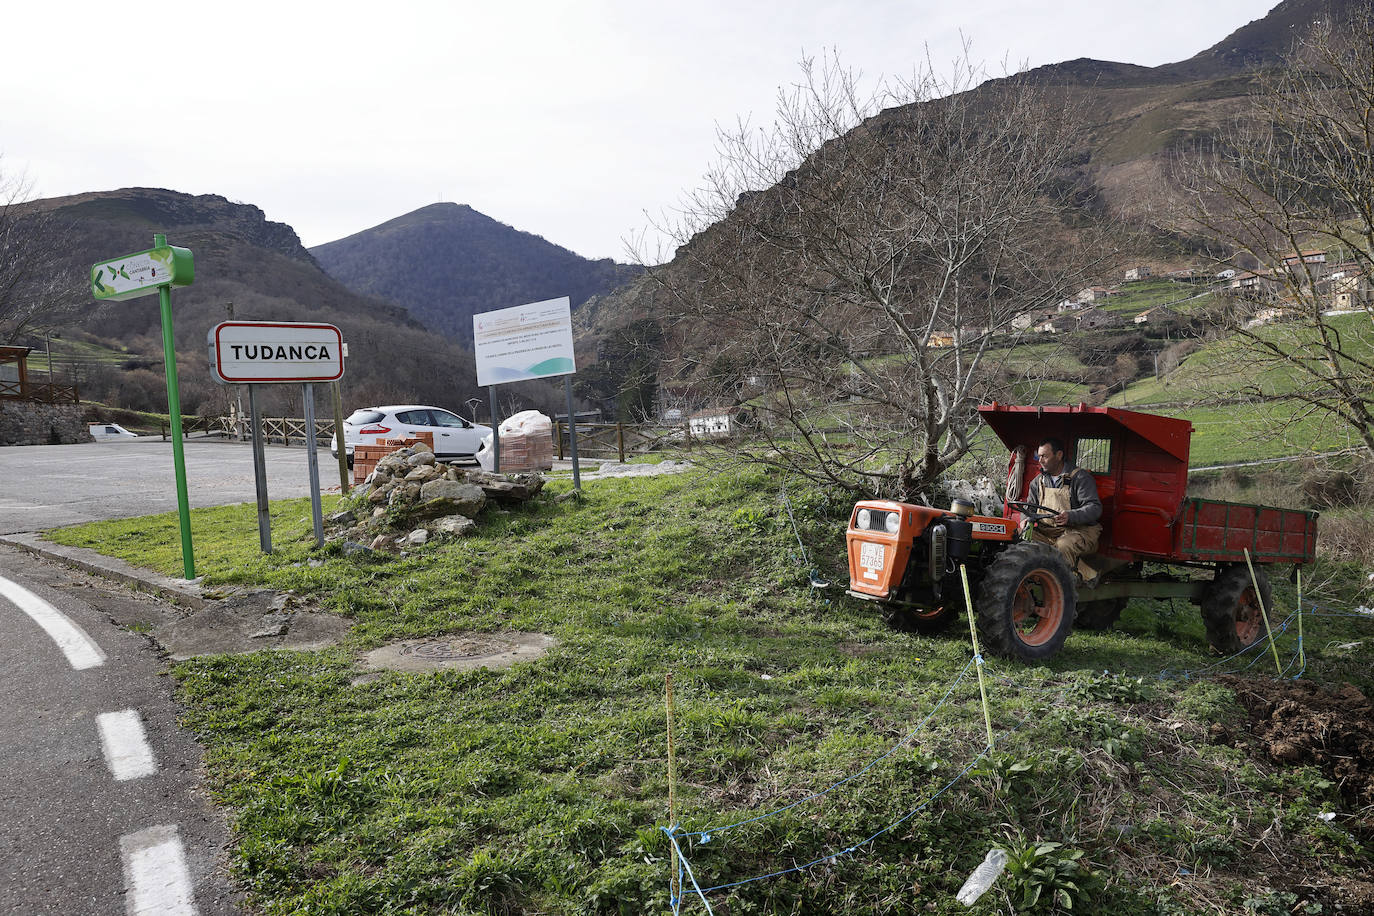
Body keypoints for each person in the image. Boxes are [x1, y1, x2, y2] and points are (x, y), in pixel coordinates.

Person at [1019, 437, 1103, 583]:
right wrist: (1024, 520)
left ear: (1059, 455)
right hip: (1049, 532)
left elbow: (1095, 508)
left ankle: (1067, 586)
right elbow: (1029, 507)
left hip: (1080, 531)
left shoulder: (1080, 478)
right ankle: (1032, 579)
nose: (1040, 460)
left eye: (1044, 456)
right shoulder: (1037, 482)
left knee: (1063, 545)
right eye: (1038, 456)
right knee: (1022, 536)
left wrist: (1071, 516)